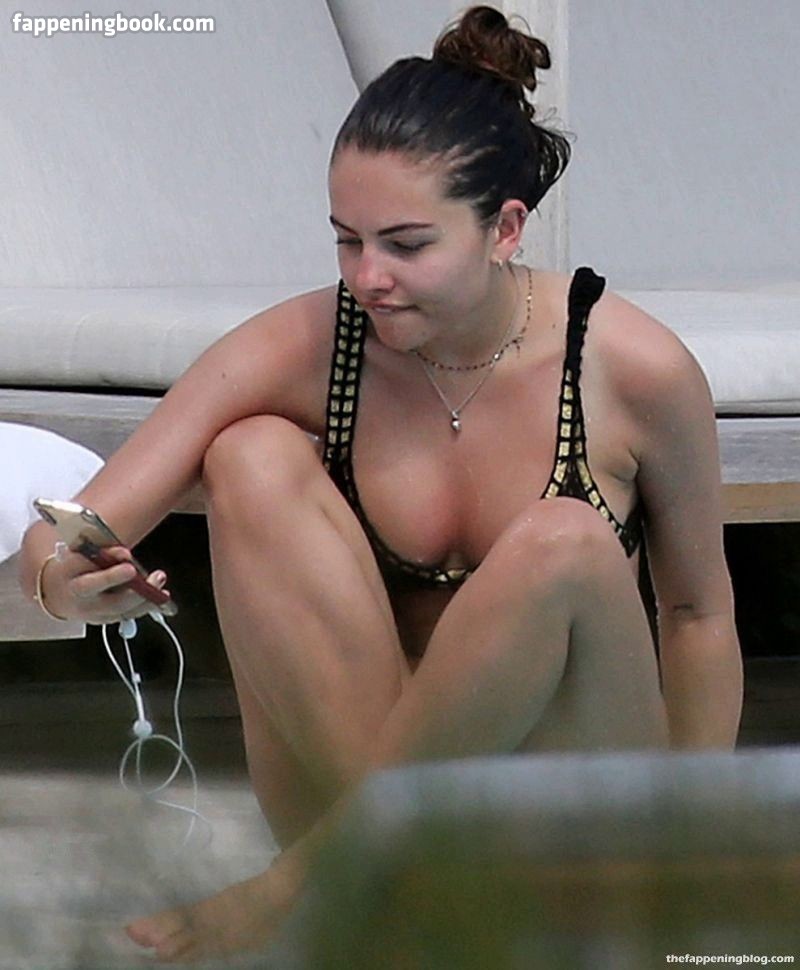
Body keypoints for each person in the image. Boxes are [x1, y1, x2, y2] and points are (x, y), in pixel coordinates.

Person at [19, 6, 743, 962]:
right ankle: (378, 880)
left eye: (406, 244)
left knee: (563, 538)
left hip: (565, 818)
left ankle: (308, 884)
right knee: (250, 455)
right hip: (365, 798)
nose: (369, 277)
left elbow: (697, 615)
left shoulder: (632, 369)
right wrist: (59, 583)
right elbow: (79, 524)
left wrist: (697, 863)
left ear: (505, 228)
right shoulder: (312, 344)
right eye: (345, 241)